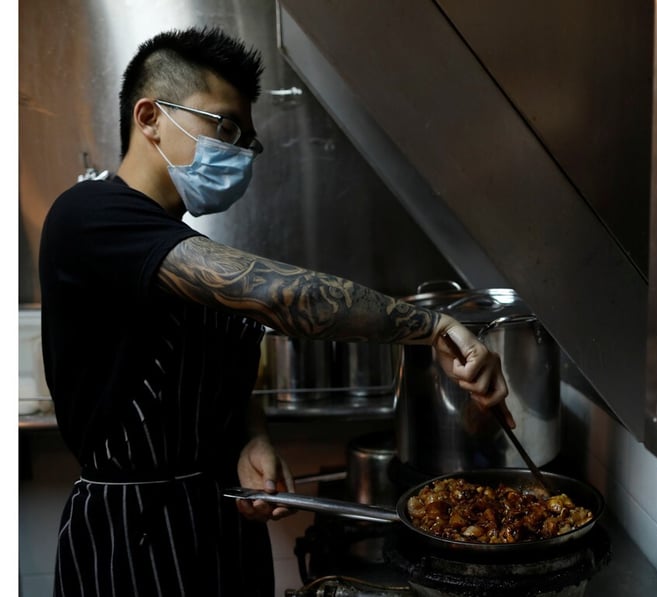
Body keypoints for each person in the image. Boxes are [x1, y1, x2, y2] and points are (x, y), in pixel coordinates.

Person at [38, 26, 510, 596]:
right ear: (148, 116)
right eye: (224, 127)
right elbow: (279, 295)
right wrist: (433, 324)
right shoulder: (91, 218)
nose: (237, 151)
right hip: (134, 535)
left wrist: (250, 437)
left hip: (221, 522)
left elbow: (222, 375)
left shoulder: (176, 242)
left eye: (246, 140)